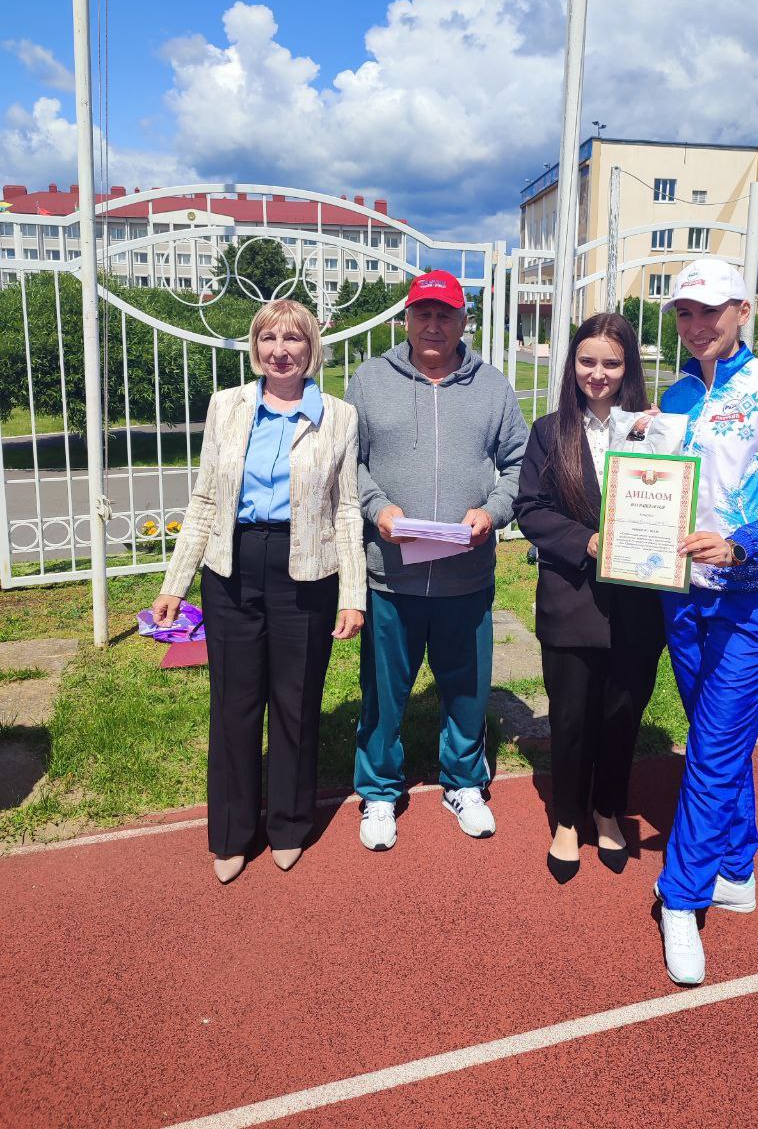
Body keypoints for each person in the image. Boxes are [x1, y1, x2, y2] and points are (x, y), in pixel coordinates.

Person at [151, 299, 365, 884]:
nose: (280, 350)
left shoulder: (339, 416)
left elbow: (346, 509)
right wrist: (175, 583)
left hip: (306, 572)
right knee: (235, 706)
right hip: (233, 568)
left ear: (311, 348)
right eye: (268, 338)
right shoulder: (227, 406)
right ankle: (232, 832)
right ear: (255, 346)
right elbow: (205, 498)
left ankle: (290, 825)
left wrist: (353, 593)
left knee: (295, 703)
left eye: (293, 339)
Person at [651, 258, 758, 984]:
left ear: (742, 312)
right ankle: (738, 868)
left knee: (713, 751)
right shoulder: (677, 394)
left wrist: (740, 544)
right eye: (684, 313)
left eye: (709, 312)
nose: (696, 326)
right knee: (720, 741)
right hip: (683, 598)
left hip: (753, 602)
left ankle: (681, 898)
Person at [345, 270, 528, 851]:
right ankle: (379, 791)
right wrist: (377, 508)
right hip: (390, 573)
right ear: (406, 319)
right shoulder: (370, 381)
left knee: (467, 688)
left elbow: (520, 463)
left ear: (463, 321)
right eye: (422, 313)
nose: (433, 325)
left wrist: (492, 513)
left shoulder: (492, 386)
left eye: (445, 314)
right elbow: (349, 462)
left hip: (465, 574)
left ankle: (464, 782)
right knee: (383, 691)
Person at [514, 313, 665, 883]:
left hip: (638, 603)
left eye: (611, 363)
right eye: (587, 361)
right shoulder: (549, 431)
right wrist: (587, 541)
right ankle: (567, 818)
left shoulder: (656, 430)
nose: (597, 373)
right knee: (572, 717)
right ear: (572, 364)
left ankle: (607, 811)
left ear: (629, 367)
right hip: (572, 599)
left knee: (622, 715)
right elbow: (530, 509)